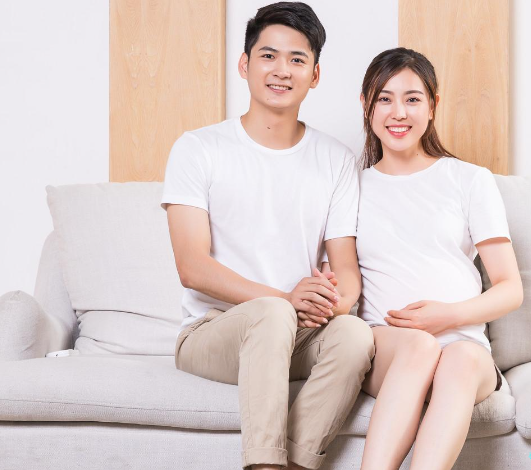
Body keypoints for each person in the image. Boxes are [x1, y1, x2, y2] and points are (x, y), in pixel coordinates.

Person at [160, 3, 374, 470]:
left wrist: (327, 305)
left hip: (295, 330)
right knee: (273, 314)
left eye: (297, 59)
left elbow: (346, 273)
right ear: (245, 64)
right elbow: (191, 267)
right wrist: (286, 299)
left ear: (315, 75)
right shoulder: (199, 148)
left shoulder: (335, 160)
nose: (282, 70)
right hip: (213, 332)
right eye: (268, 56)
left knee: (355, 334)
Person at [331, 47, 524, 469]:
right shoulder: (349, 188)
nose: (398, 112)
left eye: (413, 99)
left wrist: (448, 316)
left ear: (433, 106)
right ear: (366, 105)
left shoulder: (469, 180)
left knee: (459, 358)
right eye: (384, 98)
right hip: (389, 347)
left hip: (464, 347)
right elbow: (340, 275)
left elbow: (510, 288)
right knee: (418, 345)